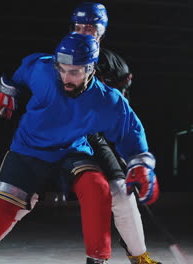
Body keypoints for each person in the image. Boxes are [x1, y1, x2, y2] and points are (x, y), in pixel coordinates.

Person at [0, 33, 158, 264]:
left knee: (98, 189)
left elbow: (131, 134)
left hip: (72, 152)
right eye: (62, 69)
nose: (65, 78)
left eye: (74, 72)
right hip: (28, 150)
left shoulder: (108, 101)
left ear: (91, 68)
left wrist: (140, 166)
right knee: (2, 208)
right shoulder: (43, 71)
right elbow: (21, 72)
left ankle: (97, 260)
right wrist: (7, 91)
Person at [70, 3, 162, 264]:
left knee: (120, 192)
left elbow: (121, 114)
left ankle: (138, 256)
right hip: (60, 136)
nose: (85, 32)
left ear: (101, 30)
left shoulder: (113, 65)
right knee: (22, 194)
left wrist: (129, 154)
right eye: (80, 26)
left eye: (91, 27)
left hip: (95, 138)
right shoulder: (60, 56)